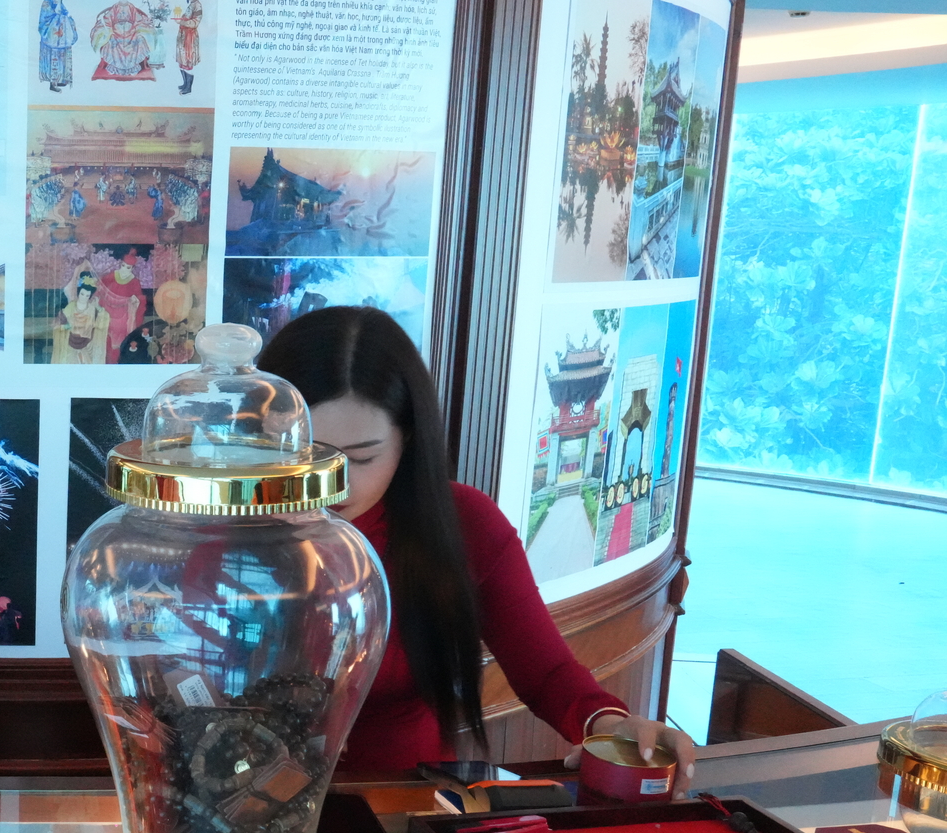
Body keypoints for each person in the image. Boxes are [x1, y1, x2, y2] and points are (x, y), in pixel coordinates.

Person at [256, 306, 697, 788]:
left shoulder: (463, 526)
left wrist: (610, 726)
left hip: (400, 800)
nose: (331, 483)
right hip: (238, 798)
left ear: (407, 441)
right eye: (305, 455)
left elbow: (547, 674)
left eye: (361, 458)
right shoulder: (220, 527)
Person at [90, 0, 155, 81]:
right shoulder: (115, 7)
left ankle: (132, 68)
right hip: (116, 32)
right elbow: (108, 19)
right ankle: (115, 67)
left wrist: (146, 21)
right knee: (110, 39)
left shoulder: (131, 7)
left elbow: (138, 19)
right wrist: (106, 26)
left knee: (139, 39)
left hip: (131, 32)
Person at [38, 0, 76, 92]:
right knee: (53, 55)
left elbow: (63, 10)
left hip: (61, 34)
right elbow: (45, 14)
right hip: (52, 33)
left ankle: (61, 79)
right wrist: (56, 14)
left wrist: (68, 16)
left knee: (61, 55)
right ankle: (52, 83)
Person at [175, 0, 203, 95]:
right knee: (182, 61)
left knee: (188, 62)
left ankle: (188, 87)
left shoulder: (198, 6)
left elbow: (195, 22)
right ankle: (185, 83)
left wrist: (182, 22)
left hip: (189, 38)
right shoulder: (191, 4)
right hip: (184, 36)